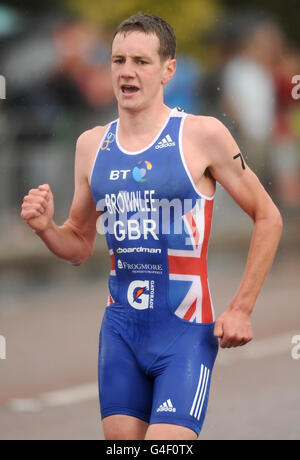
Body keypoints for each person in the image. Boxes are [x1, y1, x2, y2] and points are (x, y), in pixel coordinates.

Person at [21, 13, 283, 440]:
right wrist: (45, 227)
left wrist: (241, 307)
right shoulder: (91, 145)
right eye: (118, 59)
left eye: (141, 61)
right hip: (121, 334)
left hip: (184, 332)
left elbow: (269, 215)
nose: (127, 71)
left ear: (168, 70)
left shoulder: (202, 135)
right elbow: (79, 245)